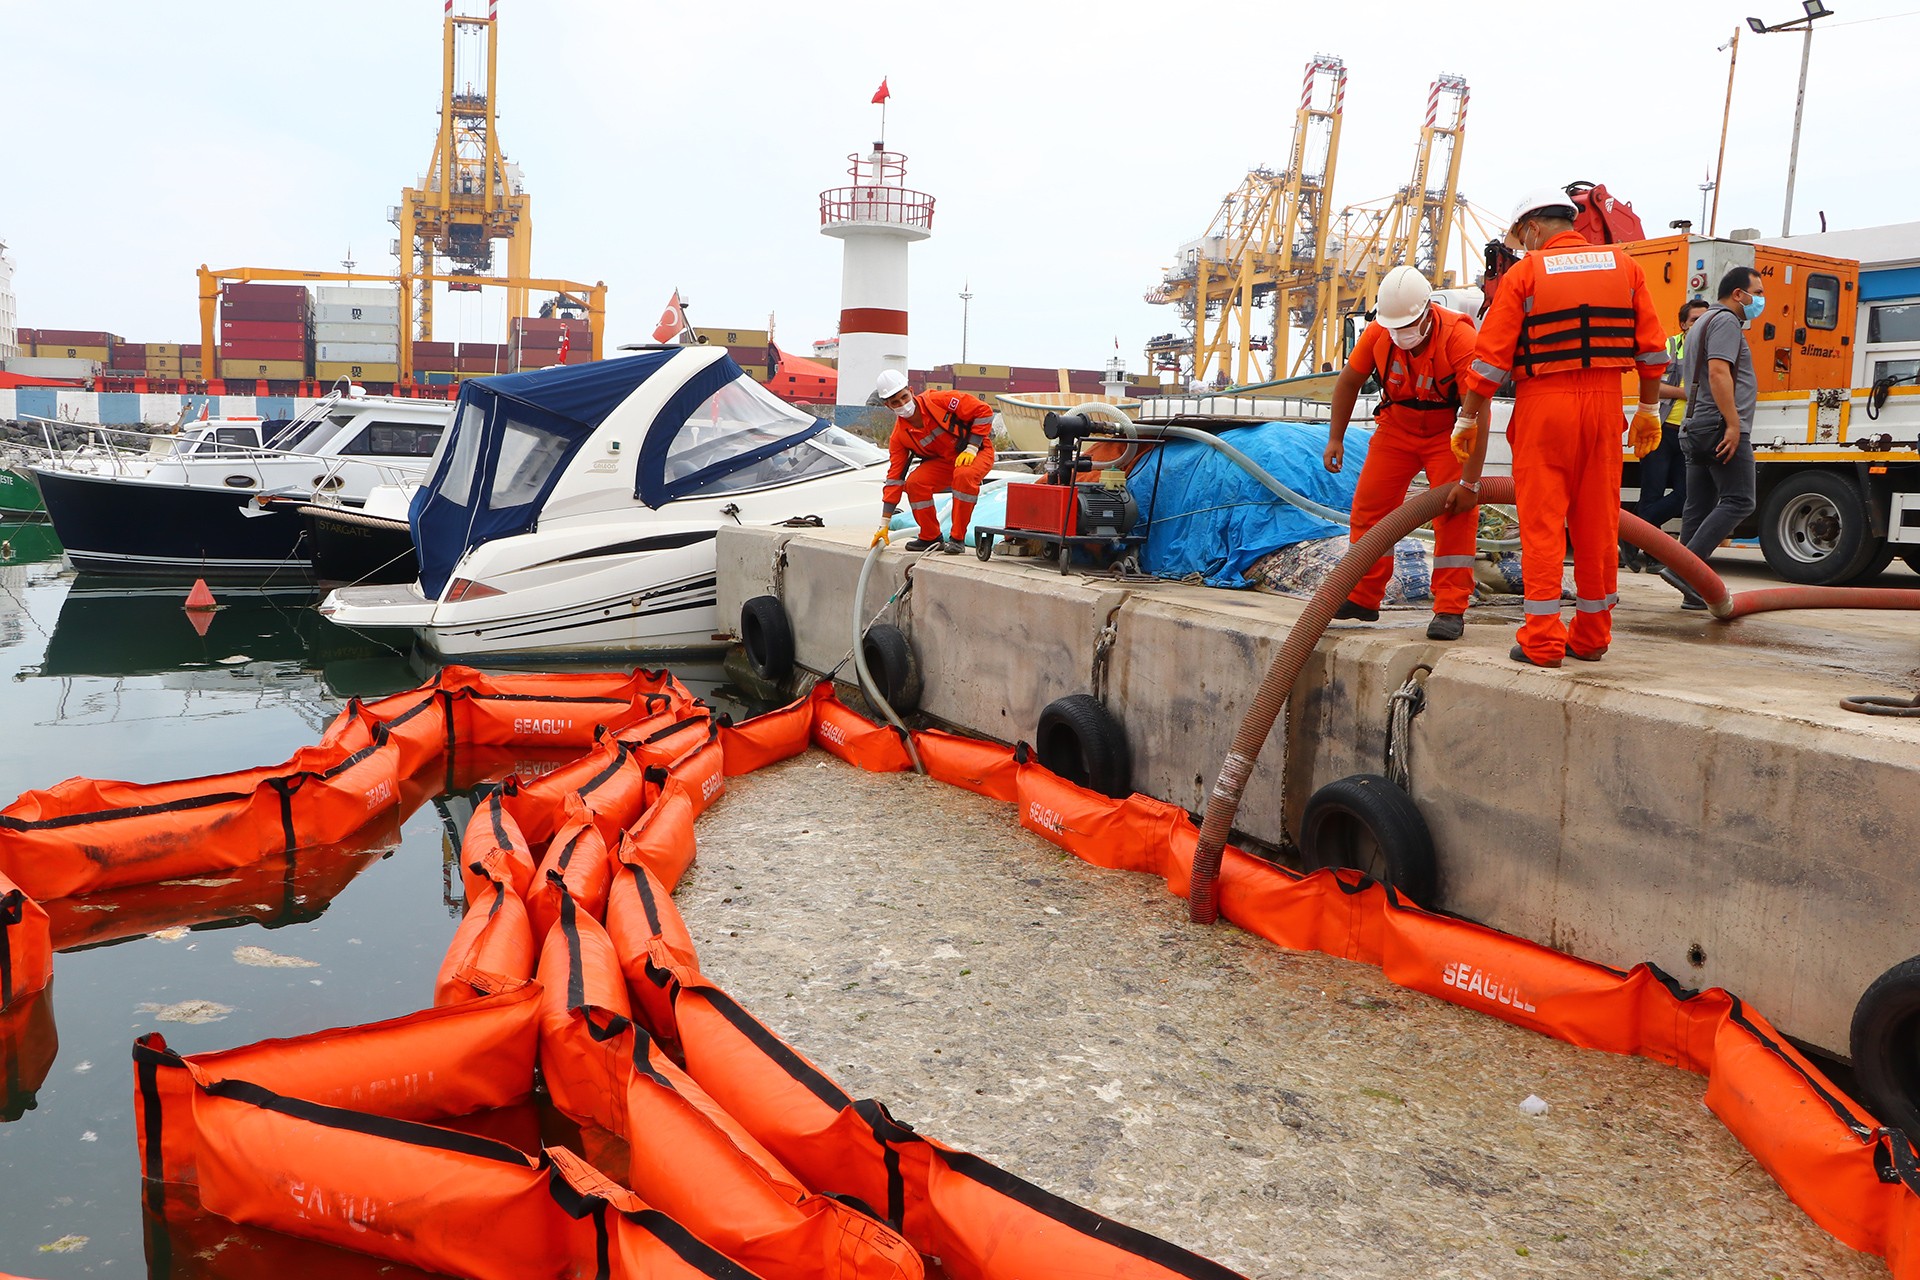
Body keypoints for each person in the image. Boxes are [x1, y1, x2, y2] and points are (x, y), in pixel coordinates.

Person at [1456, 187, 1669, 668]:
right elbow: (1653, 349)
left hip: (1544, 408)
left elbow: (1490, 362)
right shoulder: (1624, 266)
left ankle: (1543, 641)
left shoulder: (1525, 274)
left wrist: (1468, 415)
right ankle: (1592, 636)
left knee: (1543, 528)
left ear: (1533, 228)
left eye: (1521, 237)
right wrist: (1649, 409)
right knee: (1597, 525)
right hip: (1606, 404)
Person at [1322, 265, 1489, 641]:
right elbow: (1348, 382)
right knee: (1369, 509)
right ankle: (1364, 597)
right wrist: (1336, 438)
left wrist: (1470, 482)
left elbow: (1479, 409)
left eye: (1408, 325)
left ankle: (1450, 607)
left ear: (1428, 311)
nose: (1401, 335)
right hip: (1396, 427)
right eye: (1394, 327)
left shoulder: (1459, 337)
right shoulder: (1380, 331)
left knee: (1456, 512)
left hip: (1449, 431)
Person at [1659, 267, 1763, 610]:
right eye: (1757, 292)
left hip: (1696, 423)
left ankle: (1691, 591)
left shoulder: (1701, 322)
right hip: (1719, 424)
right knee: (1739, 500)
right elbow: (1719, 372)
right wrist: (1734, 425)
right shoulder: (1726, 322)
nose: (1760, 300)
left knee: (1699, 506)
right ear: (1738, 294)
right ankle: (1686, 570)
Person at [1623, 297, 1709, 571]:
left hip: (1690, 434)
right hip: (1659, 430)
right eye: (1695, 320)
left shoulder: (1711, 351)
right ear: (1683, 323)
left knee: (1685, 495)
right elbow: (1653, 387)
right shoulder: (1669, 346)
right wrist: (1687, 393)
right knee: (1652, 492)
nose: (1700, 325)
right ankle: (1652, 556)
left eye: (1705, 320)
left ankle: (1630, 529)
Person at [869, 368, 996, 553]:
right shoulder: (900, 437)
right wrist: (884, 523)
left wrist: (972, 447)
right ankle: (930, 537)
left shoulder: (938, 401)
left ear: (911, 391)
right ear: (889, 406)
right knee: (914, 483)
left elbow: (984, 411)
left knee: (964, 475)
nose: (902, 404)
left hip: (977, 452)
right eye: (895, 402)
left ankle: (957, 539)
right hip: (945, 461)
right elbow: (895, 478)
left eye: (904, 397)